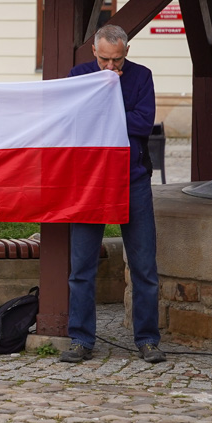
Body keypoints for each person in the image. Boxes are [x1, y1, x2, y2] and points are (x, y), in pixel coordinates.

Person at [62, 24, 165, 364]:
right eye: (104, 59)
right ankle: (80, 339)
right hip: (89, 181)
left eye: (117, 61)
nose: (110, 67)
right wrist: (112, 114)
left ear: (126, 52)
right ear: (94, 51)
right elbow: (72, 121)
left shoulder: (141, 76)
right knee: (81, 266)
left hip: (131, 179)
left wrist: (103, 113)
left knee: (144, 266)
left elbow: (143, 122)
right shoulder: (79, 75)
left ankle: (148, 340)